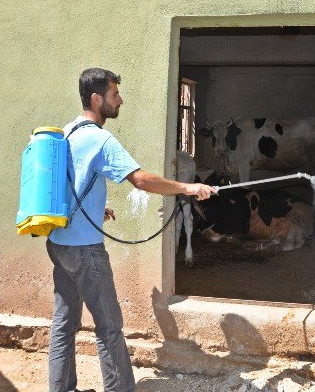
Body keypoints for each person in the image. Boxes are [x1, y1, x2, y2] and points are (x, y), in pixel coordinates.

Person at [46, 68, 215, 392]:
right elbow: (140, 179)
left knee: (63, 324)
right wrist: (187, 188)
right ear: (97, 99)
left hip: (59, 243)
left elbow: (68, 181)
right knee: (109, 327)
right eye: (114, 95)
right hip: (85, 249)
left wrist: (96, 208)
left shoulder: (66, 132)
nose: (120, 100)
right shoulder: (100, 138)